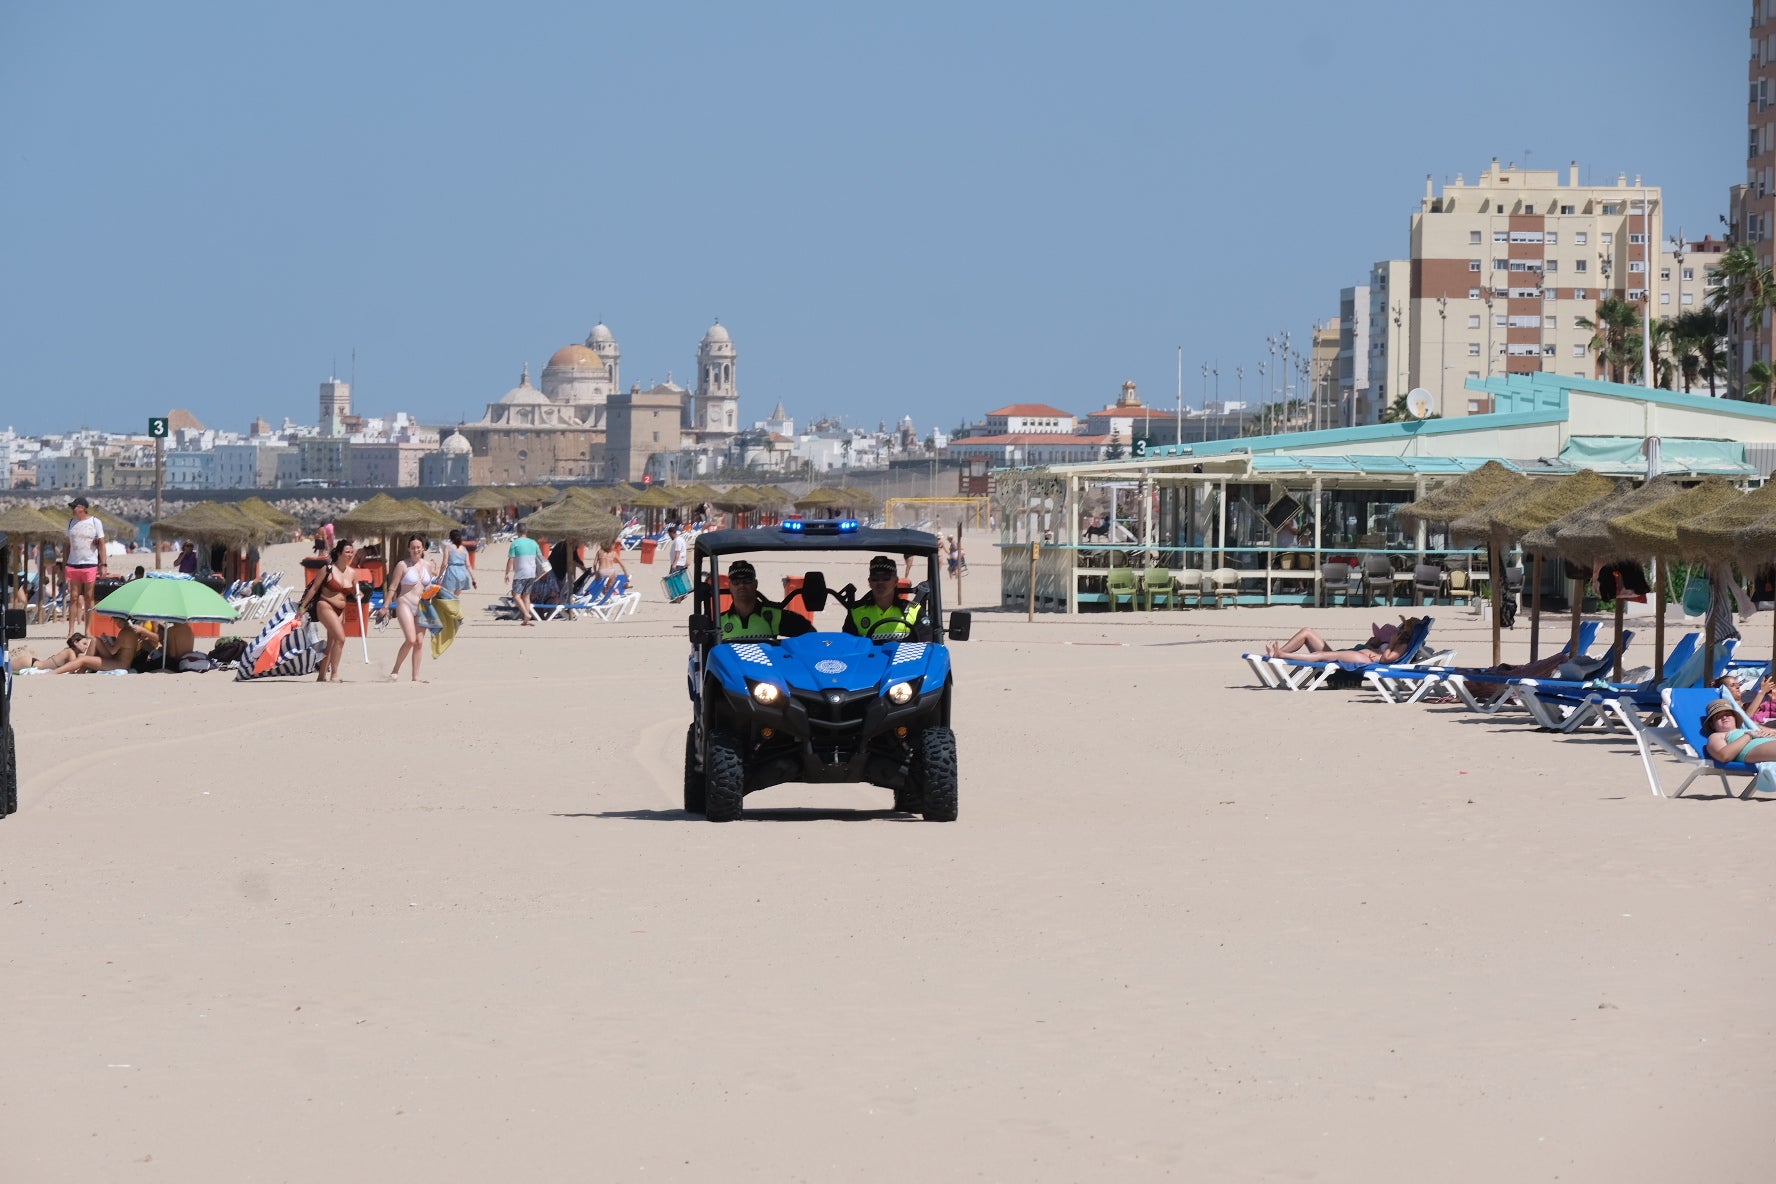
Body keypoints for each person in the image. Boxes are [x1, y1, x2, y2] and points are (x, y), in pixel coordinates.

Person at [296, 538, 361, 683]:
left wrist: (358, 595)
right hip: (325, 605)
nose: (350, 554)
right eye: (347, 552)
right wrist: (302, 608)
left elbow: (357, 591)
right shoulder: (328, 569)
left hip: (340, 610)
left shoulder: (353, 573)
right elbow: (313, 589)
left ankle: (321, 675)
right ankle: (335, 674)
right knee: (340, 638)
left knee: (332, 643)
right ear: (339, 553)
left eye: (352, 552)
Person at [719, 559, 812, 642]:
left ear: (755, 584)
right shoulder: (719, 622)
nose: (741, 585)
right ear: (730, 586)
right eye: (736, 582)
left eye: (747, 580)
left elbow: (812, 636)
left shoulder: (775, 616)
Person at [844, 555, 929, 642]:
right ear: (869, 582)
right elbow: (846, 646)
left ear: (895, 581)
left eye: (886, 578)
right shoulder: (856, 612)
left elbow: (927, 646)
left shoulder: (914, 611)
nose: (880, 583)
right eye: (875, 579)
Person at [385, 535, 435, 682]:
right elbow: (393, 587)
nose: (416, 550)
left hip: (422, 605)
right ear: (409, 549)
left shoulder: (428, 565)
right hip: (405, 603)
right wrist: (386, 606)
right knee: (411, 639)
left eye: (418, 547)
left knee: (419, 642)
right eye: (413, 547)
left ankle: (416, 676)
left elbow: (430, 586)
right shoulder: (402, 565)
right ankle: (395, 669)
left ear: (423, 548)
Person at [1264, 623, 1414, 664]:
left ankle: (1282, 654)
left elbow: (1386, 659)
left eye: (1400, 631)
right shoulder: (1381, 645)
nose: (1398, 632)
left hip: (1365, 659)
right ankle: (1278, 653)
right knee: (1307, 631)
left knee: (1320, 655)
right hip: (1359, 655)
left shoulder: (1400, 646)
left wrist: (1392, 643)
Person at [64, 496, 106, 639]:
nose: (72, 509)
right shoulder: (70, 522)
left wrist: (103, 565)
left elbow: (101, 544)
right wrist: (65, 564)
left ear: (83, 508)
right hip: (73, 563)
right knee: (74, 597)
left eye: (74, 507)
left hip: (90, 563)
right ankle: (71, 630)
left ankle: (88, 630)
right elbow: (67, 545)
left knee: (89, 597)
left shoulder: (95, 522)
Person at [56, 619, 155, 674]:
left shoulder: (124, 633)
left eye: (115, 621)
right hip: (120, 660)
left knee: (83, 659)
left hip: (120, 664)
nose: (115, 623)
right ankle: (82, 670)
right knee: (95, 640)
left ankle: (55, 673)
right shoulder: (132, 630)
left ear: (120, 620)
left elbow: (112, 651)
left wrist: (105, 640)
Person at [1702, 697, 1776, 764]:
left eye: (1728, 714)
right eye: (1718, 717)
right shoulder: (1716, 736)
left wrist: (1770, 734)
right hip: (1756, 748)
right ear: (1712, 725)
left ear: (1735, 718)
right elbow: (1723, 756)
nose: (1724, 717)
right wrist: (1748, 735)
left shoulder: (1747, 729)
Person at [505, 524, 542, 626]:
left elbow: (511, 559)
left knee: (516, 595)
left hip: (521, 572)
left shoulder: (515, 543)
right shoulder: (533, 543)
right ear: (526, 531)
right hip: (532, 572)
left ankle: (526, 614)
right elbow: (540, 557)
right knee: (526, 596)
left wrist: (507, 573)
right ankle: (526, 620)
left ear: (517, 532)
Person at [440, 529, 476, 595]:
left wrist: (439, 576)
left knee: (446, 594)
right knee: (456, 596)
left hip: (451, 572)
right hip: (463, 573)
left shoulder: (448, 548)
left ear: (450, 538)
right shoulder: (464, 549)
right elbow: (468, 565)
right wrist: (473, 579)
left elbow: (444, 564)